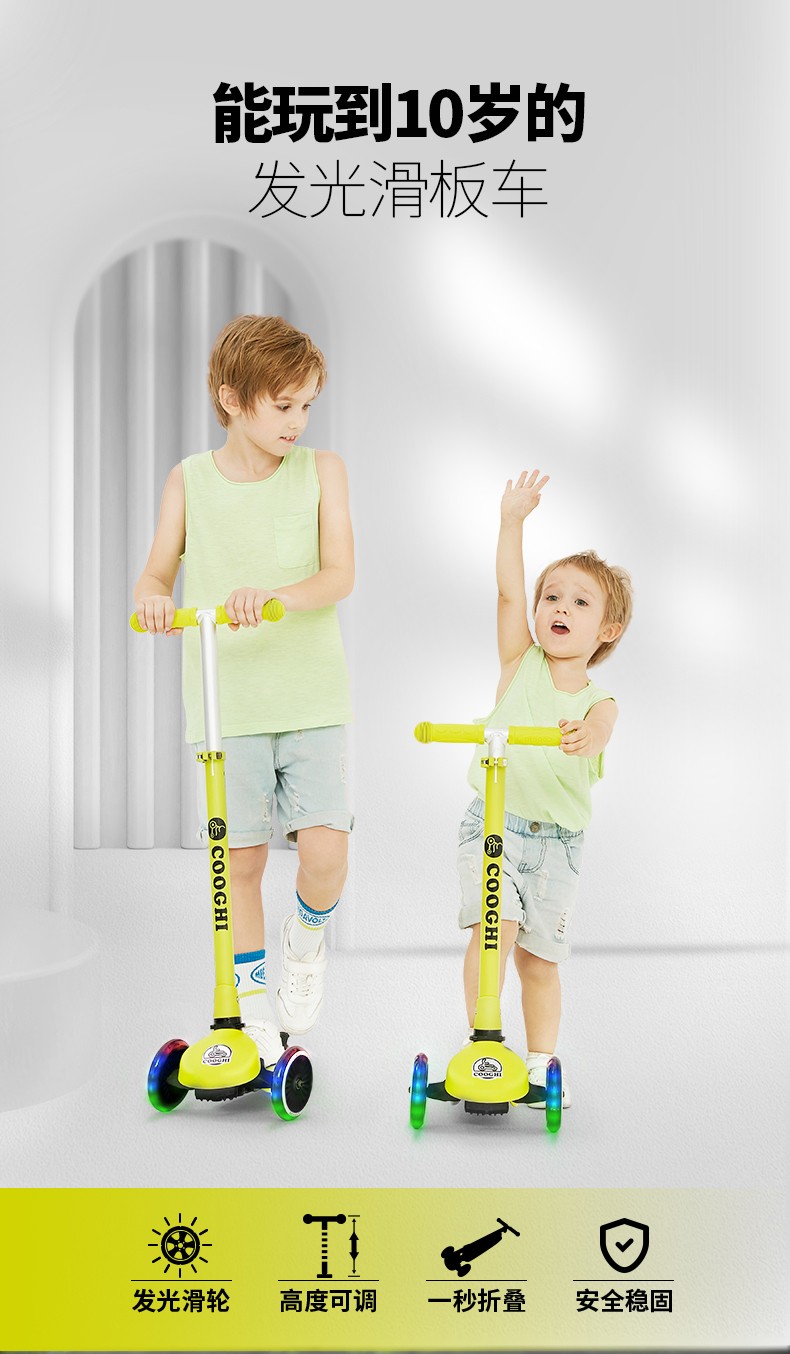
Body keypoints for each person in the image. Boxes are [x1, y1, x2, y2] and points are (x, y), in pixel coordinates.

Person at [133, 314, 354, 1070]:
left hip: (312, 697)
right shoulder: (188, 480)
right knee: (242, 865)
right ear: (232, 399)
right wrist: (153, 597)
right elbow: (156, 571)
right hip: (229, 706)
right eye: (283, 405)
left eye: (307, 405)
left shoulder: (322, 470)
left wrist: (276, 597)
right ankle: (254, 1015)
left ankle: (307, 937)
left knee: (324, 851)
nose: (298, 421)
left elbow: (340, 575)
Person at [457, 470, 632, 1106]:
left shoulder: (598, 701)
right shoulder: (519, 662)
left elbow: (603, 729)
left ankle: (539, 1063)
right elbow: (508, 591)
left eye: (580, 603)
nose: (560, 608)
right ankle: (484, 1042)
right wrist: (512, 521)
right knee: (493, 929)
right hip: (494, 825)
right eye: (552, 597)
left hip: (558, 844)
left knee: (539, 961)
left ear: (607, 630)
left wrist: (588, 735)